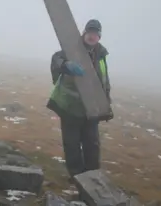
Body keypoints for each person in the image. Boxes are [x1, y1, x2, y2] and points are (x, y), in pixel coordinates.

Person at [47, 19, 113, 180]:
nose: (92, 36)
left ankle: (93, 176)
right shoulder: (73, 47)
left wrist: (106, 104)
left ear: (99, 37)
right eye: (89, 33)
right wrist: (66, 64)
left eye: (95, 34)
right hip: (70, 106)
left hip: (91, 108)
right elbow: (56, 59)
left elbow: (104, 80)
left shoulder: (101, 54)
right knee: (72, 144)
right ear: (84, 33)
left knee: (92, 144)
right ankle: (77, 177)